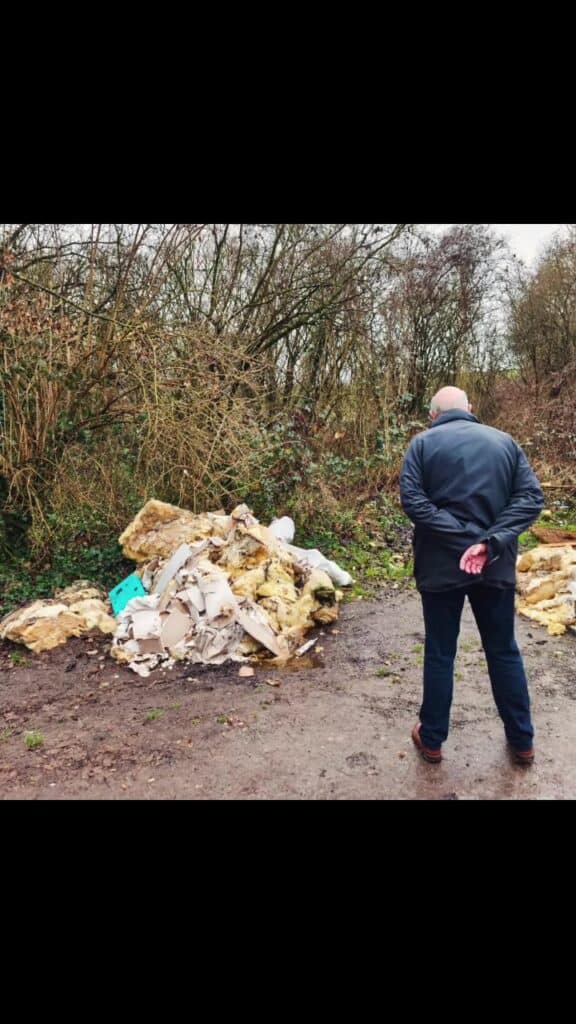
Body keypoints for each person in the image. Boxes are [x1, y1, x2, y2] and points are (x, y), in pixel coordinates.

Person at [399, 385, 544, 766]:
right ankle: (523, 741)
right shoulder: (505, 443)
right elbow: (531, 498)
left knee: (440, 652)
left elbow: (413, 501)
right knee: (503, 651)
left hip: (439, 568)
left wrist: (465, 538)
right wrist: (487, 542)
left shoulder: (422, 444)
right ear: (471, 409)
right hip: (494, 565)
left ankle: (431, 740)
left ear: (432, 415)